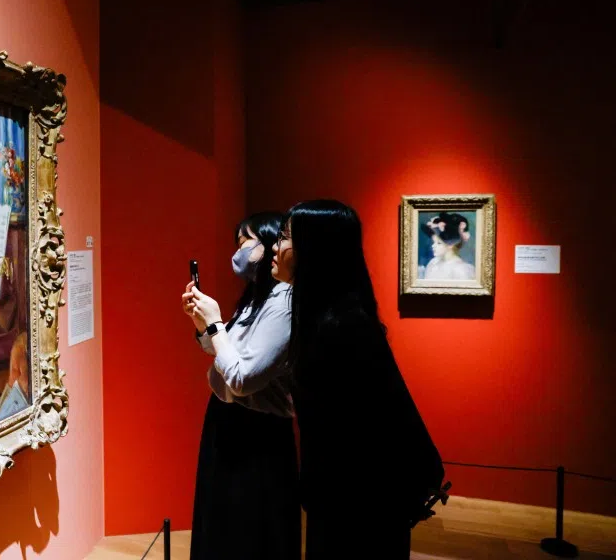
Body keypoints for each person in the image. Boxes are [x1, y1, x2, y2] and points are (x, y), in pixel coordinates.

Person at [272, 200, 443, 559]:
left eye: (286, 236)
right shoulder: (327, 317)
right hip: (344, 499)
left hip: (360, 504)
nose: (275, 246)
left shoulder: (342, 326)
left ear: (314, 249)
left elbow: (363, 431)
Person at [181, 212, 300, 560]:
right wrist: (203, 324)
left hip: (256, 432)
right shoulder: (255, 297)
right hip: (229, 419)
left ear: (265, 246)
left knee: (248, 532)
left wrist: (216, 324)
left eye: (244, 242)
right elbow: (225, 353)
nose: (239, 252)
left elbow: (241, 378)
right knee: (222, 524)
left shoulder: (283, 304)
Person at [421, 212, 476, 280]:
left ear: (451, 243)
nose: (433, 246)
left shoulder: (462, 269)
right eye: (433, 242)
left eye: (439, 243)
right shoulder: (433, 263)